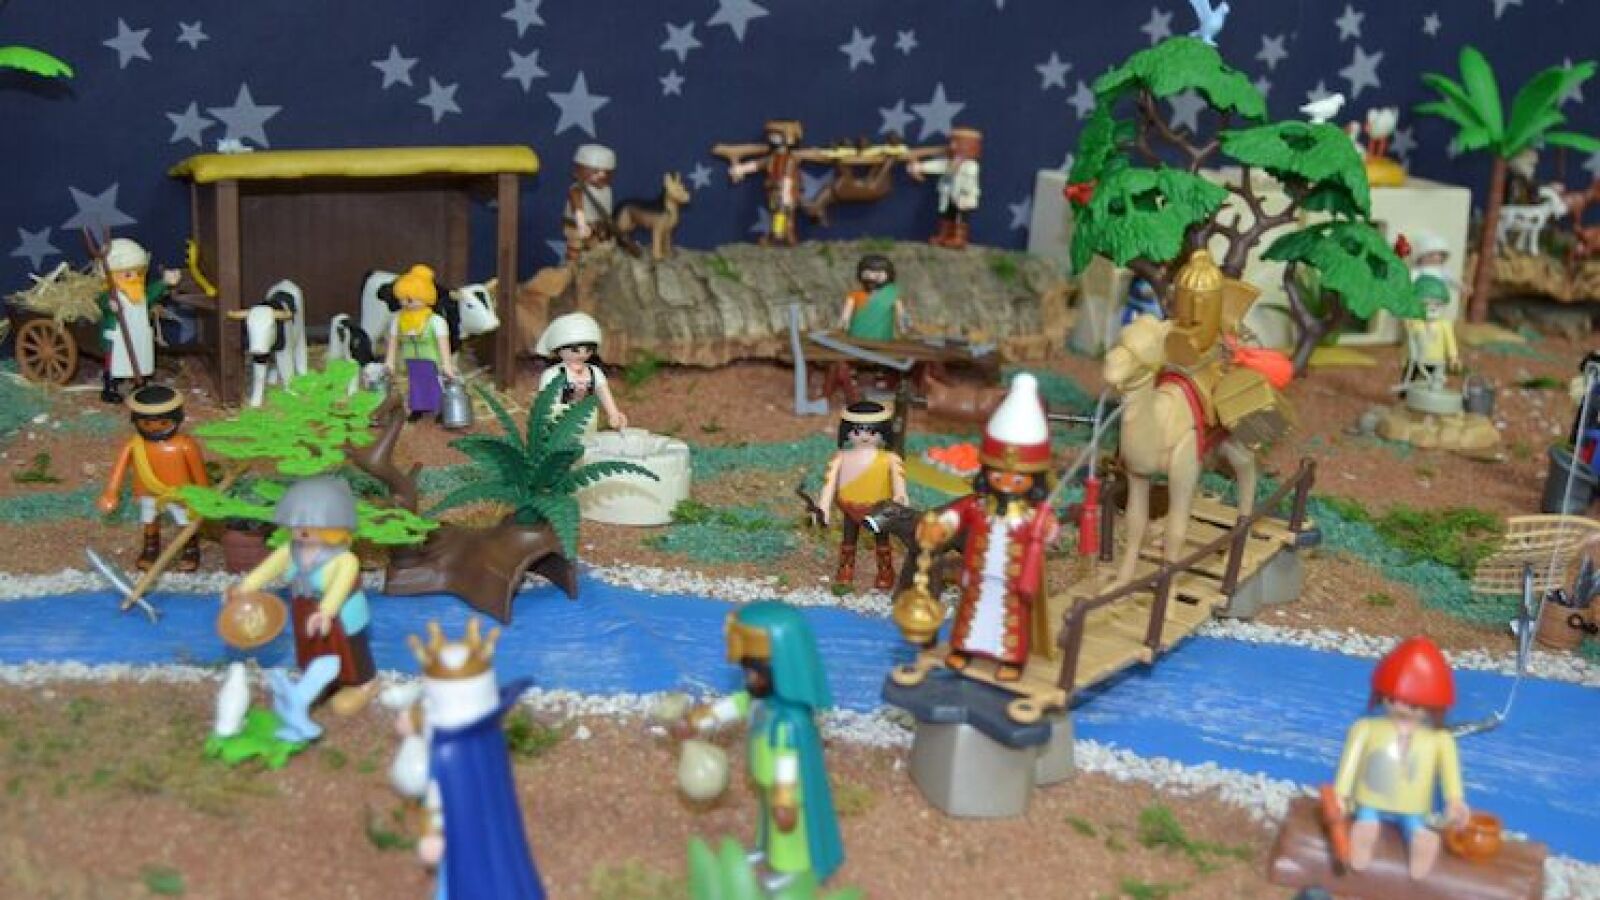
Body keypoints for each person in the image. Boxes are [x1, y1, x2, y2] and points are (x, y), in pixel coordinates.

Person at [676, 602, 844, 894]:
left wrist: (785, 798)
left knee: (787, 831)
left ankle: (790, 869)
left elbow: (787, 761)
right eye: (749, 672)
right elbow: (732, 706)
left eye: (756, 673)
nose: (749, 679)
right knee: (767, 822)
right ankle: (765, 850)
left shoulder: (789, 722)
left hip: (786, 787)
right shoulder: (760, 700)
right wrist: (698, 720)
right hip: (767, 778)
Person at [912, 374, 1057, 682]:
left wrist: (1046, 530)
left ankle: (1011, 659)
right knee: (972, 613)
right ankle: (964, 649)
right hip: (978, 575)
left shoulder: (1032, 516)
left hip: (1013, 582)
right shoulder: (979, 506)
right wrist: (941, 527)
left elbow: (1050, 532)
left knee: (1011, 620)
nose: (1006, 483)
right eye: (998, 475)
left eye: (1017, 478)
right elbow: (955, 515)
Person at [400, 620, 545, 900]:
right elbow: (434, 796)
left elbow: (436, 794)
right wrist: (432, 831)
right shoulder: (457, 745)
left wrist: (431, 832)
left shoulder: (466, 748)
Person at [229, 476, 377, 716]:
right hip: (305, 609)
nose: (300, 532)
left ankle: (362, 685)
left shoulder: (345, 560)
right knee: (312, 648)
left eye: (308, 528)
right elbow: (267, 570)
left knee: (351, 649)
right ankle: (324, 681)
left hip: (341, 615)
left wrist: (326, 612)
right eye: (297, 526)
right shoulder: (291, 551)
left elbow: (340, 588)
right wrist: (245, 588)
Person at [1332, 636, 1470, 880]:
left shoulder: (1440, 740)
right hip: (1371, 794)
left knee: (1414, 824)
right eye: (1393, 700)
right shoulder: (1365, 728)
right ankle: (1365, 837)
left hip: (1412, 801)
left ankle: (1419, 840)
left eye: (1414, 705)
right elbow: (1349, 763)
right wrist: (1340, 794)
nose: (1402, 708)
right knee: (1367, 817)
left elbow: (1450, 774)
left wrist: (1455, 801)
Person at [96, 384, 210, 571]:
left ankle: (190, 549)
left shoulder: (185, 445)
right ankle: (150, 549)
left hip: (180, 494)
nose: (155, 428)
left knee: (185, 521)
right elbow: (119, 469)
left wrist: (205, 495)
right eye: (147, 424)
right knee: (150, 520)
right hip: (148, 491)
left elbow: (198, 472)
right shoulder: (134, 445)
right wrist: (111, 492)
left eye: (163, 423)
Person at [815, 401, 908, 590]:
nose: (864, 437)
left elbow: (899, 482)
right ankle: (846, 568)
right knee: (848, 541)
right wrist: (823, 506)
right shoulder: (840, 458)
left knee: (882, 541)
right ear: (847, 432)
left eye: (872, 432)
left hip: (880, 508)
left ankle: (885, 570)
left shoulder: (890, 459)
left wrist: (900, 496)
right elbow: (829, 483)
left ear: (883, 432)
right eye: (857, 432)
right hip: (850, 506)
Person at [96, 238, 181, 404]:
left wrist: (164, 282)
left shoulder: (140, 294)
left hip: (138, 334)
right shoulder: (112, 295)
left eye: (139, 273)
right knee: (114, 362)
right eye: (128, 274)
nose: (134, 277)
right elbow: (102, 302)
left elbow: (151, 294)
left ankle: (139, 383)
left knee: (141, 359)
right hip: (118, 337)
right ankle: (110, 387)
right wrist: (110, 305)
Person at [383, 264, 457, 422]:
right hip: (411, 359)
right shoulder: (399, 320)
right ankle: (417, 408)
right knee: (415, 384)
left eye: (410, 299)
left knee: (435, 384)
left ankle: (439, 409)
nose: (405, 303)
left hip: (431, 359)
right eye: (402, 299)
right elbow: (393, 340)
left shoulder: (435, 321)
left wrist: (447, 364)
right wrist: (390, 360)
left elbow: (443, 344)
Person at [534, 312, 627, 433]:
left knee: (588, 442)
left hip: (587, 421)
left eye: (588, 349)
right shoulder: (552, 374)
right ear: (558, 349)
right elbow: (544, 404)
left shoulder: (594, 372)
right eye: (575, 350)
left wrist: (613, 414)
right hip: (560, 426)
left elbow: (603, 393)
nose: (582, 354)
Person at [728, 119, 806, 246]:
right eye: (772, 134)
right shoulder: (772, 158)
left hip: (785, 192)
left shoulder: (790, 160)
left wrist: (786, 194)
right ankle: (778, 235)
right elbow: (757, 165)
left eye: (777, 134)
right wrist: (741, 169)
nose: (772, 137)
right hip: (773, 191)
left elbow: (788, 177)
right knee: (775, 213)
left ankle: (781, 236)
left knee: (784, 215)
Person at [909, 126, 982, 250]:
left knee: (960, 217)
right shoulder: (949, 162)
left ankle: (959, 238)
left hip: (962, 197)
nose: (952, 146)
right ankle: (944, 235)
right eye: (952, 142)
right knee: (947, 215)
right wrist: (919, 167)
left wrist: (964, 193)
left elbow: (968, 181)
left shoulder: (971, 165)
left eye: (957, 143)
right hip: (949, 195)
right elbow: (938, 167)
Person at [1402, 275, 1459, 391]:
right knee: (1410, 377)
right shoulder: (1416, 322)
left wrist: (1453, 357)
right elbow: (1409, 326)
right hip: (1417, 358)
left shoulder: (1445, 325)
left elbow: (1450, 342)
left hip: (1437, 360)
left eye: (1437, 305)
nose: (1432, 308)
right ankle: (1404, 393)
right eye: (1425, 304)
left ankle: (1432, 395)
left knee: (1436, 382)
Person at [836, 254, 909, 342]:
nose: (871, 277)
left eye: (878, 274)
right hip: (856, 337)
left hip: (882, 338)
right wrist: (843, 324)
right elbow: (845, 316)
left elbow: (901, 314)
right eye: (867, 274)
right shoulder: (854, 295)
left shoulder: (892, 294)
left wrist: (904, 325)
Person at [564, 143, 617, 261]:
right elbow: (578, 208)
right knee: (575, 248)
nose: (602, 175)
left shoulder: (607, 190)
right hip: (576, 226)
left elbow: (606, 212)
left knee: (597, 250)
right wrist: (582, 225)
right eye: (595, 171)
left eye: (607, 172)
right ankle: (571, 267)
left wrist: (606, 226)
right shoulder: (577, 190)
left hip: (598, 227)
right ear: (579, 170)